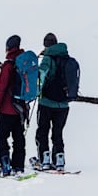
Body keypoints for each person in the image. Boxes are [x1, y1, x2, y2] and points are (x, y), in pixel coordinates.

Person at [0, 34, 26, 175]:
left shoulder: (9, 65)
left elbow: (1, 88)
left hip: (7, 109)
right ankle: (18, 166)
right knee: (18, 138)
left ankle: (4, 164)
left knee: (2, 137)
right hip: (21, 109)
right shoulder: (24, 63)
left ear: (8, 48)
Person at [35, 32, 70, 170]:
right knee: (58, 132)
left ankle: (45, 159)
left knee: (42, 131)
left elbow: (41, 76)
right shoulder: (67, 58)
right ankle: (59, 159)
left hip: (47, 102)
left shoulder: (48, 59)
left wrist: (37, 91)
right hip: (64, 104)